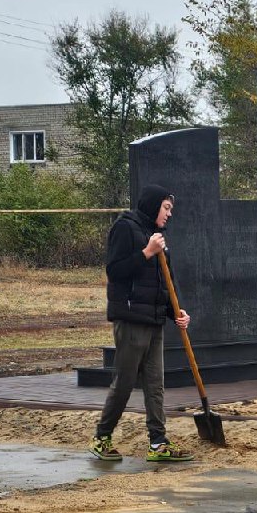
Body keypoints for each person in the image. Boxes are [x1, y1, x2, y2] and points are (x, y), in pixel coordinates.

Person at [89, 184, 195, 463]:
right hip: (131, 318)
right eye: (166, 207)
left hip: (155, 320)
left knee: (155, 383)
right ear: (152, 205)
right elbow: (115, 270)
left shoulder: (155, 235)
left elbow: (163, 282)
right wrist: (146, 253)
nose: (170, 214)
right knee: (124, 382)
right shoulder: (125, 228)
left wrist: (176, 312)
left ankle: (158, 444)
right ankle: (102, 438)